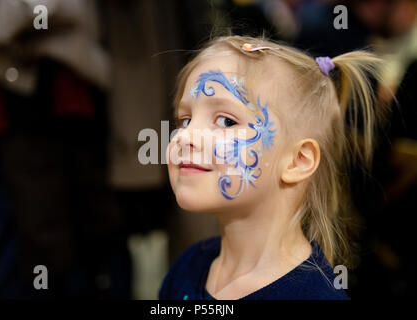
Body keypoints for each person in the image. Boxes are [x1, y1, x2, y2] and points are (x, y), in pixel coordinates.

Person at [159, 35, 387, 300]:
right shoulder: (187, 267)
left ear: (298, 161)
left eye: (225, 121)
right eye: (185, 120)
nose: (184, 137)